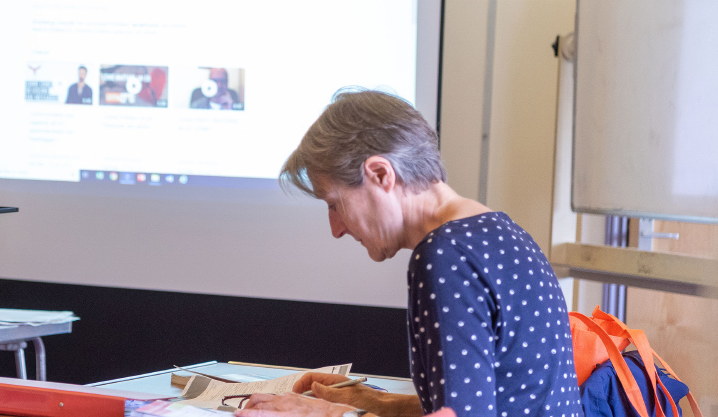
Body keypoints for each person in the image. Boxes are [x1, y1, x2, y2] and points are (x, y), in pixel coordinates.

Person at [237, 90, 581, 417]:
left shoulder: (446, 256)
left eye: (335, 205)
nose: (336, 229)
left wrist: (334, 413)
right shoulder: (503, 231)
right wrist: (372, 402)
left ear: (381, 174)